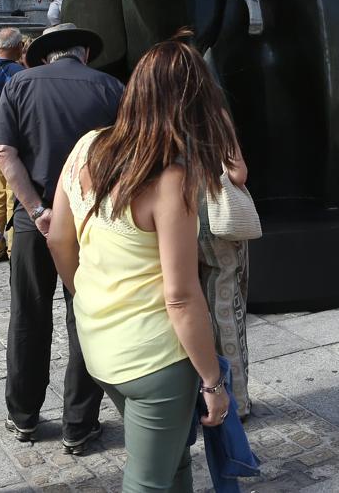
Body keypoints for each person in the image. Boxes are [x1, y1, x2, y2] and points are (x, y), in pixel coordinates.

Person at [46, 37, 239, 491]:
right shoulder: (173, 179)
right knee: (148, 481)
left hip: (99, 340)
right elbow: (181, 295)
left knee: (173, 465)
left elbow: (57, 236)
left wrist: (87, 293)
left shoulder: (87, 146)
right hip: (156, 358)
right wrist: (213, 381)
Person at [0, 22, 124, 448]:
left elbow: (3, 154)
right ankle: (79, 424)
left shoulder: (20, 85)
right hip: (89, 221)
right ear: (84, 51)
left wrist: (38, 210)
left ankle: (24, 415)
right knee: (85, 314)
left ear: (47, 53)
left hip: (35, 222)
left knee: (27, 315)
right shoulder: (111, 88)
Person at [197, 132, 253, 421]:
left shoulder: (150, 110)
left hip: (166, 215)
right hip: (214, 213)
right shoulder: (213, 113)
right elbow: (238, 174)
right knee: (225, 309)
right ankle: (238, 402)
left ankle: (192, 400)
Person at [0, 28, 27, 258]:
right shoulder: (16, 71)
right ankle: (13, 248)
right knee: (13, 193)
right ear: (16, 46)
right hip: (13, 140)